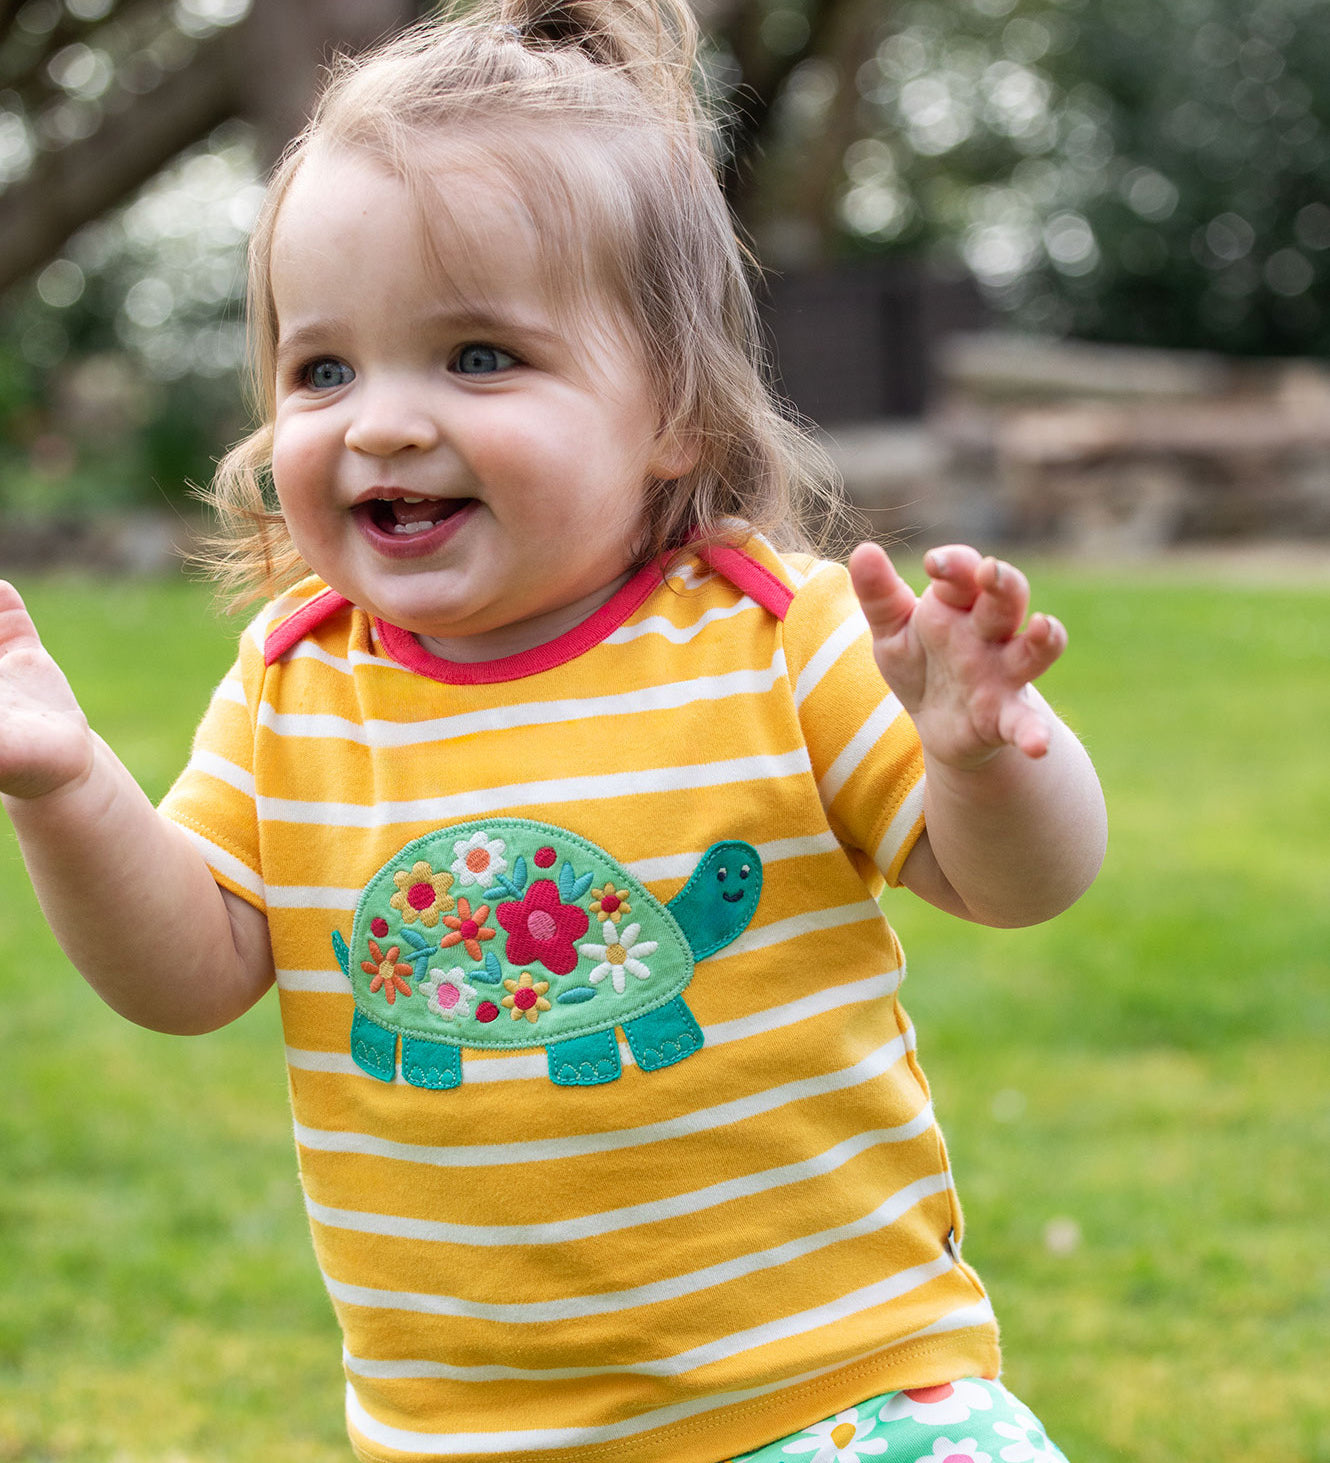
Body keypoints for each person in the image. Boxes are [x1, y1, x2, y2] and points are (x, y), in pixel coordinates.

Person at [0, 0, 1107, 1458]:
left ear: (676, 416)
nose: (381, 422)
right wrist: (68, 790)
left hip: (837, 1402)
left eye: (475, 358)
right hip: (472, 1434)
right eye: (323, 370)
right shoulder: (295, 684)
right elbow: (191, 975)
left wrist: (978, 754)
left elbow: (1020, 883)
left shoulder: (776, 636)